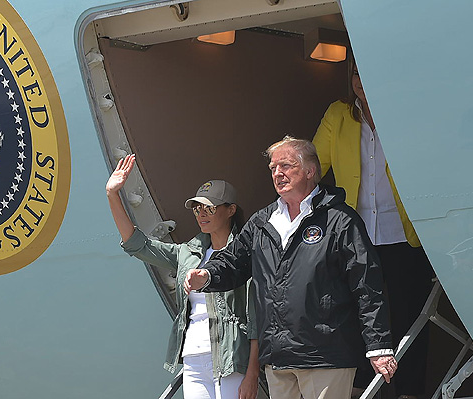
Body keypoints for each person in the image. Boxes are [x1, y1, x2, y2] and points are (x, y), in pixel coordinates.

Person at [184, 137, 397, 399]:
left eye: (285, 166)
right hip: (278, 359)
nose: (277, 174)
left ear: (310, 171)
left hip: (325, 356)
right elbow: (232, 261)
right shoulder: (262, 222)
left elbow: (367, 286)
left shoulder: (340, 220)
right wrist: (207, 274)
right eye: (273, 168)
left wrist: (379, 347)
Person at [312, 59, 434, 399]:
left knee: (411, 318)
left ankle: (409, 392)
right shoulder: (338, 115)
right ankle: (364, 390)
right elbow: (312, 167)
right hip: (357, 236)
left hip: (405, 234)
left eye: (368, 71)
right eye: (355, 72)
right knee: (356, 316)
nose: (361, 80)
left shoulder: (408, 115)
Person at [106, 154, 260, 399]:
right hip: (193, 357)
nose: (201, 214)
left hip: (232, 358)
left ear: (230, 210)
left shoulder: (246, 254)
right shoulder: (187, 253)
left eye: (209, 207)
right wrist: (113, 195)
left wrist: (253, 373)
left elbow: (256, 317)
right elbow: (138, 245)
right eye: (197, 208)